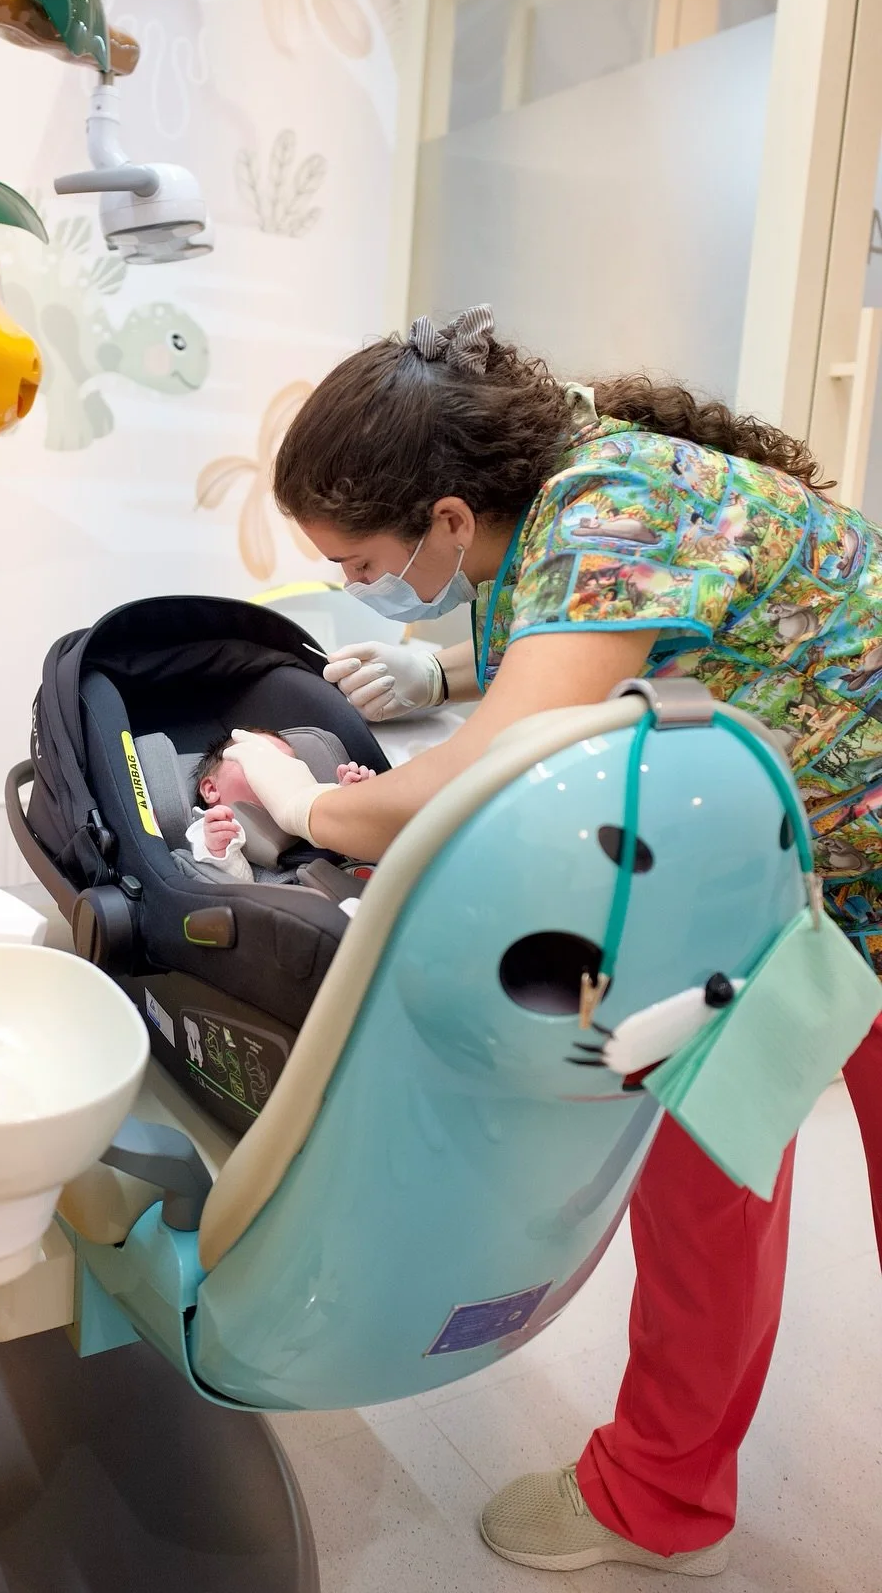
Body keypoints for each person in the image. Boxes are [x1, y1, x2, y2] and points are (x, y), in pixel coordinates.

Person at [223, 305, 882, 1577]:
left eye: (364, 566)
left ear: (448, 521)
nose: (363, 593)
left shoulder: (614, 499)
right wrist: (442, 673)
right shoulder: (535, 470)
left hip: (854, 862)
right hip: (763, 871)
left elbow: (486, 774)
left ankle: (660, 1491)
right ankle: (660, 1501)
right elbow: (613, 639)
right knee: (705, 1182)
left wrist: (302, 804)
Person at [178, 730, 375, 884]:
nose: (277, 772)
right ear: (212, 789)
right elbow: (233, 886)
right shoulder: (210, 831)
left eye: (288, 764)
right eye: (261, 761)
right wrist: (219, 852)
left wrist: (349, 802)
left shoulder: (310, 811)